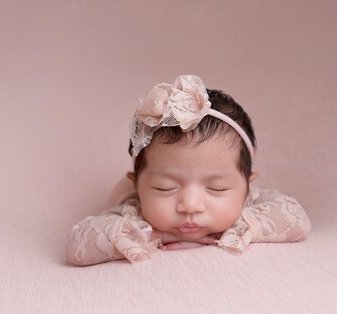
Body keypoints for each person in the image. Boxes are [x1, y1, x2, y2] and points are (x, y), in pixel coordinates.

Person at [66, 74, 312, 266]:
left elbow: (298, 220)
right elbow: (78, 247)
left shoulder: (248, 201)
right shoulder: (135, 213)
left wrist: (234, 227)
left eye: (217, 188)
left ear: (247, 185)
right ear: (137, 187)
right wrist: (152, 235)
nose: (191, 205)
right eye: (165, 188)